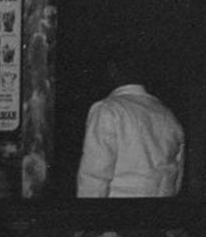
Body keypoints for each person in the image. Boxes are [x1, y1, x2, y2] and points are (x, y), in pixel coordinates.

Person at [76, 49, 185, 197]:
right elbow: (177, 178)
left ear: (112, 70)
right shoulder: (168, 115)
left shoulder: (108, 110)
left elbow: (94, 177)